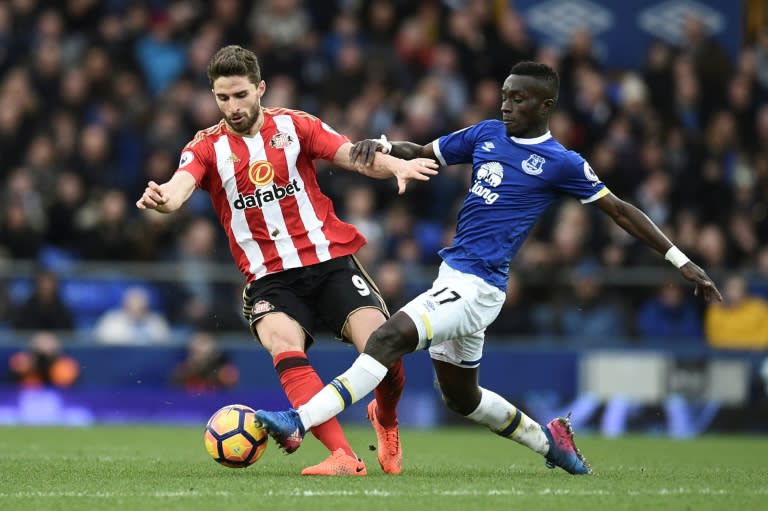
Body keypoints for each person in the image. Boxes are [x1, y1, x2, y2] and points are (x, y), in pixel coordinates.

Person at [254, 61, 723, 476]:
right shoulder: (485, 135)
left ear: (546, 105)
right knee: (461, 397)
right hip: (452, 277)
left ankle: (300, 420)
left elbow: (620, 210)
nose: (507, 105)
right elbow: (424, 151)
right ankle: (551, 443)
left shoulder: (562, 162)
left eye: (518, 99)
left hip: (479, 287)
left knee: (386, 339)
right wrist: (383, 144)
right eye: (504, 96)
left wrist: (680, 260)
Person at [135, 45, 438, 476]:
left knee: (384, 349)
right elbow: (180, 186)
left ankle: (385, 421)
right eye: (223, 98)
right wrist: (164, 199)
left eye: (240, 95)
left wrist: (395, 166)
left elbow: (351, 154)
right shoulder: (205, 147)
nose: (233, 107)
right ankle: (343, 456)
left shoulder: (295, 126)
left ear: (260, 88)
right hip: (269, 277)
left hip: (329, 260)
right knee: (283, 345)